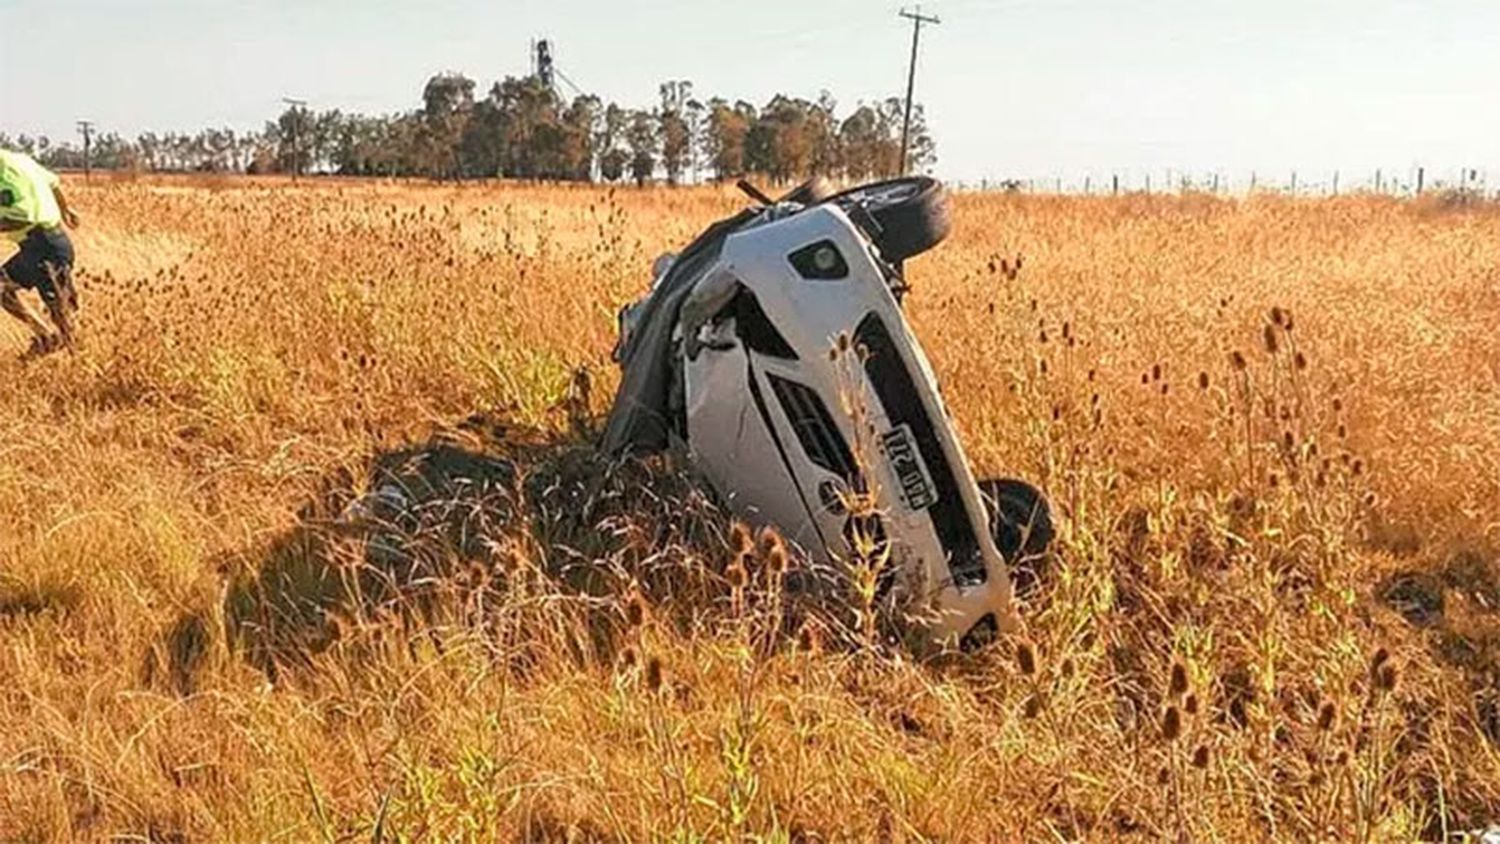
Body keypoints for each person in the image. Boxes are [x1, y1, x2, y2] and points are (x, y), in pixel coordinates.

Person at [0, 149, 81, 358]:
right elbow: (53, 183)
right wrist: (66, 210)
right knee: (1, 289)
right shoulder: (20, 159)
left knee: (62, 315)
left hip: (45, 247)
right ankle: (46, 336)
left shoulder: (6, 173)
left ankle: (80, 362)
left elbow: (24, 218)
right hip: (40, 245)